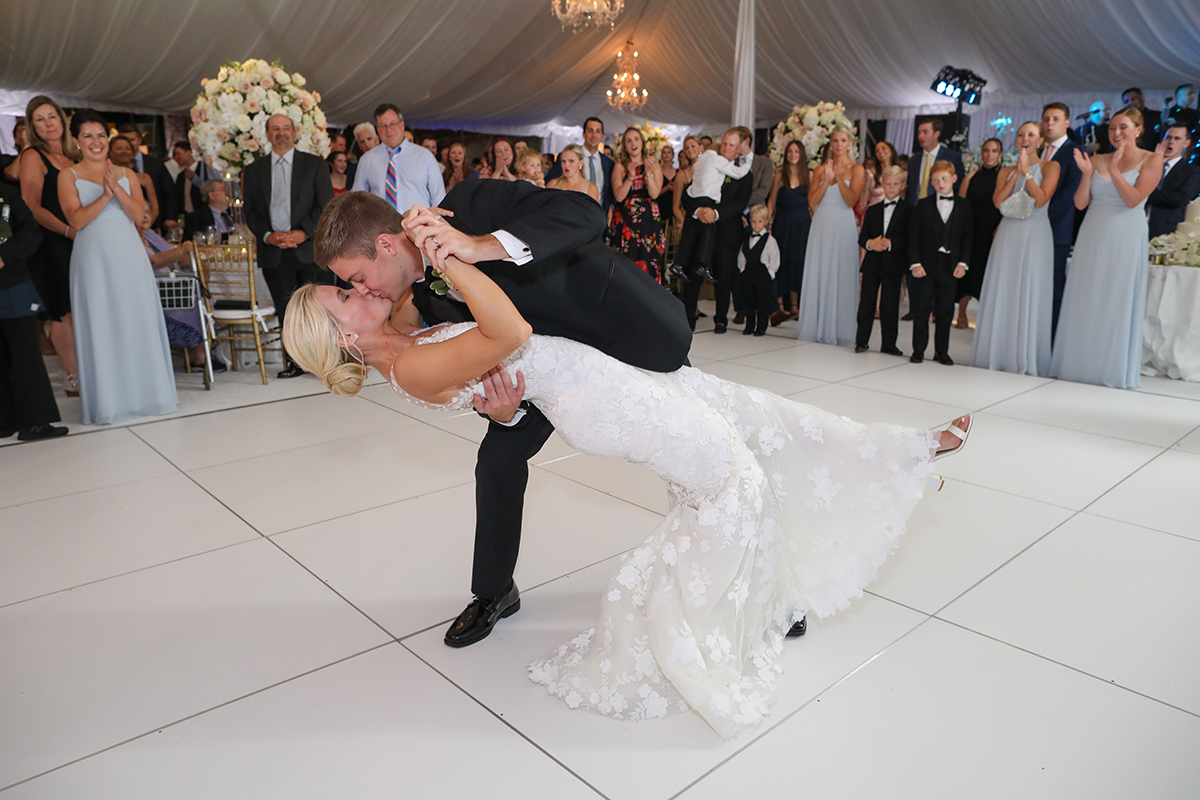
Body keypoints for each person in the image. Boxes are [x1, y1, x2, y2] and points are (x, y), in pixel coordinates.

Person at [284, 198, 973, 739]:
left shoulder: (408, 334)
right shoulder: (407, 361)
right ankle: (751, 609)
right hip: (598, 399)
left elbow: (552, 261)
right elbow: (512, 334)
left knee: (753, 414)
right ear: (342, 336)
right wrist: (451, 255)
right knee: (732, 483)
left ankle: (903, 451)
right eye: (342, 293)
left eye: (347, 280)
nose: (353, 288)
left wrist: (467, 271)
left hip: (609, 364)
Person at [312, 185, 692, 651]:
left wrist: (478, 246)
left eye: (356, 276)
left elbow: (586, 213)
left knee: (692, 437)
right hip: (544, 376)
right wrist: (506, 414)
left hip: (617, 322)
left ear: (386, 246)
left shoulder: (468, 205)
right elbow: (473, 368)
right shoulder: (419, 306)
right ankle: (494, 592)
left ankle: (723, 562)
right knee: (496, 458)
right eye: (349, 288)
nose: (361, 289)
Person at [58, 109, 177, 424]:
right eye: (88, 136)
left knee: (135, 318)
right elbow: (76, 219)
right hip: (92, 257)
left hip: (129, 255)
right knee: (102, 320)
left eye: (100, 135)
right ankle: (109, 401)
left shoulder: (126, 173)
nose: (96, 142)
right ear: (76, 141)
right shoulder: (67, 175)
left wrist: (117, 186)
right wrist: (104, 195)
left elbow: (139, 216)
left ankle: (148, 395)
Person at [1050, 108, 1164, 389]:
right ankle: (1078, 364)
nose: (1116, 133)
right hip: (1093, 233)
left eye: (1123, 127)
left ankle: (1109, 368)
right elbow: (1079, 203)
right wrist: (1088, 174)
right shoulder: (1098, 158)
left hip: (1125, 236)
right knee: (1087, 294)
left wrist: (1114, 171)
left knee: (1116, 296)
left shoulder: (1152, 159)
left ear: (1138, 130)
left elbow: (1134, 200)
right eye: (1113, 128)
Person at [243, 113, 335, 378]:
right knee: (287, 312)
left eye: (286, 128)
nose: (281, 132)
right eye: (275, 129)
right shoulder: (253, 170)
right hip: (273, 252)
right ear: (268, 134)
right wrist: (268, 235)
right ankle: (295, 362)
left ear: (294, 133)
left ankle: (326, 361)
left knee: (319, 309)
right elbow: (250, 212)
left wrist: (302, 233)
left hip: (309, 249)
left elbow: (326, 205)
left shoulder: (315, 165)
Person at [970, 122, 1059, 377]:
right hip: (1009, 233)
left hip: (1035, 233)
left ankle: (1026, 356)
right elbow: (998, 202)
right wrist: (1016, 173)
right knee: (1004, 289)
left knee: (1029, 289)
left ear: (1041, 140)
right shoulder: (1006, 170)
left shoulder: (1051, 166)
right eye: (1021, 134)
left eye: (1031, 134)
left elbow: (1041, 198)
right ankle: (997, 352)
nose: (1025, 138)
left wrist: (1028, 173)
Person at [18, 95, 79, 397]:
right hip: (53, 241)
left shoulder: (75, 155)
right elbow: (31, 206)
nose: (47, 124)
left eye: (51, 117)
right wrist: (67, 231)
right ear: (33, 127)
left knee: (83, 306)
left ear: (61, 120)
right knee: (62, 310)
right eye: (39, 119)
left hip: (81, 239)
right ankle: (74, 377)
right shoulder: (32, 156)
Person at [0, 177, 67, 440]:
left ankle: (35, 423)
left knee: (25, 354)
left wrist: (4, 256)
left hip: (12, 286)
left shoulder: (8, 194)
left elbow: (31, 232)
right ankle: (4, 422)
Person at [677, 128, 755, 333]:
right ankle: (687, 319)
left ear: (740, 148)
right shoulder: (710, 163)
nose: (727, 149)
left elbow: (740, 203)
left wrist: (716, 213)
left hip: (727, 230)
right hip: (701, 227)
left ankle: (721, 319)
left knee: (723, 276)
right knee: (693, 274)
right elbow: (689, 194)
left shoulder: (746, 173)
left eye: (731, 145)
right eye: (724, 144)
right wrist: (699, 211)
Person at [799, 128, 864, 347]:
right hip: (822, 223)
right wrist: (826, 181)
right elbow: (812, 201)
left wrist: (838, 178)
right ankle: (815, 326)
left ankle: (841, 329)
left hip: (844, 224)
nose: (838, 144)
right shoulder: (819, 170)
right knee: (821, 270)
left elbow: (851, 201)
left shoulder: (857, 169)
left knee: (842, 271)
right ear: (830, 144)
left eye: (843, 140)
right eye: (835, 140)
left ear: (849, 143)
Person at [137, 208, 223, 375]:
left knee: (199, 295)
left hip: (175, 289)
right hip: (153, 295)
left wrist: (197, 253)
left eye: (148, 211)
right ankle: (198, 355)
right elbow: (152, 262)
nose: (146, 215)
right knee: (194, 301)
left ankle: (198, 353)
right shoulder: (129, 239)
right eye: (141, 212)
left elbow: (176, 258)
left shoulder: (150, 236)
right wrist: (183, 249)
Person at [908, 160, 972, 365]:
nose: (940, 183)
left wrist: (963, 262)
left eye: (944, 178)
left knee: (945, 310)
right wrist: (915, 263)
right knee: (922, 308)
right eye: (935, 180)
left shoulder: (964, 205)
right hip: (926, 265)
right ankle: (918, 349)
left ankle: (941, 351)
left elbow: (967, 237)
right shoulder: (924, 204)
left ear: (954, 179)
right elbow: (914, 237)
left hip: (950, 265)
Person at [855, 165, 910, 355]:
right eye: (888, 184)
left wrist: (891, 243)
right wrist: (871, 243)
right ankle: (861, 341)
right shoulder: (873, 210)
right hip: (872, 264)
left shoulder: (909, 210)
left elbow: (909, 238)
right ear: (882, 184)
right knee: (866, 304)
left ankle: (889, 344)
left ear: (903, 185)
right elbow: (862, 238)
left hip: (893, 265)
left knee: (889, 306)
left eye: (895, 184)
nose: (891, 187)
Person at [1042, 102, 1084, 338]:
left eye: (1055, 119)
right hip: (1032, 230)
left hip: (1056, 229)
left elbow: (1070, 195)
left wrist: (1041, 220)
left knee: (1055, 286)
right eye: (1046, 119)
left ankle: (1053, 338)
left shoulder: (1076, 152)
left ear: (1067, 123)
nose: (1050, 124)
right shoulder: (1037, 151)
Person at [352, 104, 444, 210]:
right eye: (383, 125)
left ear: (402, 125)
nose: (388, 129)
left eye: (392, 124)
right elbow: (357, 200)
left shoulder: (424, 156)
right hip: (381, 225)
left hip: (418, 224)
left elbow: (439, 198)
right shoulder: (367, 160)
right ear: (377, 129)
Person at [955, 137, 1004, 328]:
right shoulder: (971, 176)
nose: (989, 154)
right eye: (986, 150)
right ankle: (961, 315)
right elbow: (961, 205)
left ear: (1000, 154)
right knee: (966, 271)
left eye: (994, 151)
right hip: (971, 230)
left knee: (987, 273)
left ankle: (986, 319)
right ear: (981, 153)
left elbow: (1007, 205)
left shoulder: (1005, 176)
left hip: (993, 231)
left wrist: (999, 227)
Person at [609, 127, 665, 281]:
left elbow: (654, 194)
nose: (633, 143)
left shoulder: (654, 165)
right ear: (624, 145)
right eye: (628, 140)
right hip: (627, 222)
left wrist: (647, 172)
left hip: (649, 221)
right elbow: (619, 197)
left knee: (649, 260)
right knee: (627, 262)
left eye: (636, 139)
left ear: (642, 142)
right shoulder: (620, 166)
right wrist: (631, 176)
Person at [766, 140, 812, 325]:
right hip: (782, 223)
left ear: (802, 154)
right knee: (781, 261)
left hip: (802, 224)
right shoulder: (779, 175)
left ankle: (795, 306)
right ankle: (778, 307)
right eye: (790, 151)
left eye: (796, 151)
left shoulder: (809, 175)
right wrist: (767, 225)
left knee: (798, 262)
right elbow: (771, 202)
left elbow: (813, 202)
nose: (793, 154)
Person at [544, 118, 615, 217]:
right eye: (590, 130)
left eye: (598, 131)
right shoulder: (567, 157)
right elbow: (550, 183)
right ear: (584, 134)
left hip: (599, 218)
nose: (594, 135)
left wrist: (610, 206)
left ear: (602, 136)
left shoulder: (609, 163)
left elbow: (610, 191)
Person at [115, 122, 176, 230]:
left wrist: (169, 217)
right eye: (123, 141)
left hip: (153, 222)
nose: (127, 145)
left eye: (131, 140)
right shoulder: (111, 170)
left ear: (139, 140)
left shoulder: (155, 163)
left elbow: (169, 191)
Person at [1146, 124, 1200, 239]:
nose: (1171, 142)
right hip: (1137, 224)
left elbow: (1180, 198)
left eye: (1177, 138)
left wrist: (1144, 193)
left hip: (1166, 230)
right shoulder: (1147, 164)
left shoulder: (1192, 171)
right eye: (1168, 138)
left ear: (1186, 143)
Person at [737, 204, 779, 336]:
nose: (756, 224)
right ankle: (749, 325)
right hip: (748, 274)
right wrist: (742, 270)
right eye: (753, 221)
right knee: (748, 301)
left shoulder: (770, 241)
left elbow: (774, 259)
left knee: (762, 302)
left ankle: (761, 327)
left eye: (759, 221)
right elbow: (741, 257)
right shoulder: (746, 240)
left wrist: (770, 274)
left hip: (763, 276)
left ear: (766, 221)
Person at [906, 119, 964, 205]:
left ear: (937, 134)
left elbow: (958, 186)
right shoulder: (913, 160)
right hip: (915, 210)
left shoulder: (952, 157)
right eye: (919, 133)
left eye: (925, 132)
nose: (920, 136)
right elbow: (910, 190)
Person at [108, 135, 159, 226]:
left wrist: (146, 226)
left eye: (127, 148)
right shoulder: (107, 177)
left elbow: (154, 207)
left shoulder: (144, 178)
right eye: (119, 148)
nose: (124, 151)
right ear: (110, 152)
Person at [171, 140, 221, 217]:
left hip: (204, 214)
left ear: (189, 153)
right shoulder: (181, 176)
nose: (176, 157)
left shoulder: (204, 170)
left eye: (178, 154)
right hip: (188, 216)